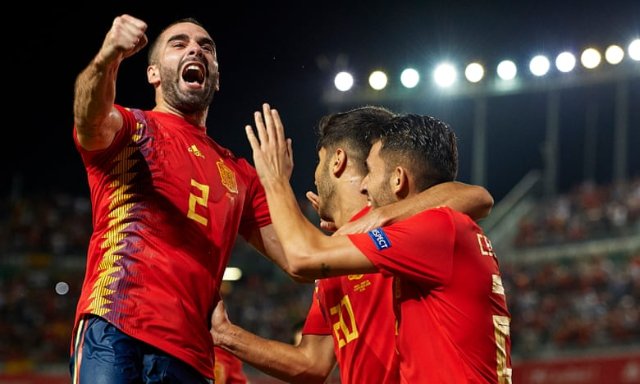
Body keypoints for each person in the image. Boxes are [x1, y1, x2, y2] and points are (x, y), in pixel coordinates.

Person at [70, 15, 294, 383]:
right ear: (153, 74)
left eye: (207, 47)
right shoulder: (132, 129)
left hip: (192, 354)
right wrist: (108, 57)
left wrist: (281, 186)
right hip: (115, 325)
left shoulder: (239, 174)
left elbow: (297, 260)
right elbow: (88, 119)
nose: (195, 48)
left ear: (216, 78)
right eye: (180, 43)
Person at [212, 106, 497, 383]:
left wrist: (275, 181)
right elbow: (312, 364)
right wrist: (225, 334)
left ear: (336, 160)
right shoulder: (340, 253)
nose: (314, 174)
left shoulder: (409, 228)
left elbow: (476, 197)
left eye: (318, 160)